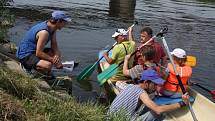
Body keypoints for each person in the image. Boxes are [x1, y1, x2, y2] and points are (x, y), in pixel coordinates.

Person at [108, 69, 189, 121]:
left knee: (149, 106)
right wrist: (182, 103)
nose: (156, 87)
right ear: (146, 82)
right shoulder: (141, 92)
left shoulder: (130, 86)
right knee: (158, 113)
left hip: (111, 117)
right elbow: (158, 110)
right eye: (155, 84)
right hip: (121, 118)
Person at [16, 10, 71, 78]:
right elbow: (38, 53)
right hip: (25, 54)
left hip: (34, 51)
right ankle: (27, 67)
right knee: (48, 65)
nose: (65, 25)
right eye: (64, 22)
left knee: (56, 53)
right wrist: (54, 61)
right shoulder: (44, 33)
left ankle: (41, 68)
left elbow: (54, 44)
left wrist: (57, 55)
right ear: (58, 21)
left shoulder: (52, 28)